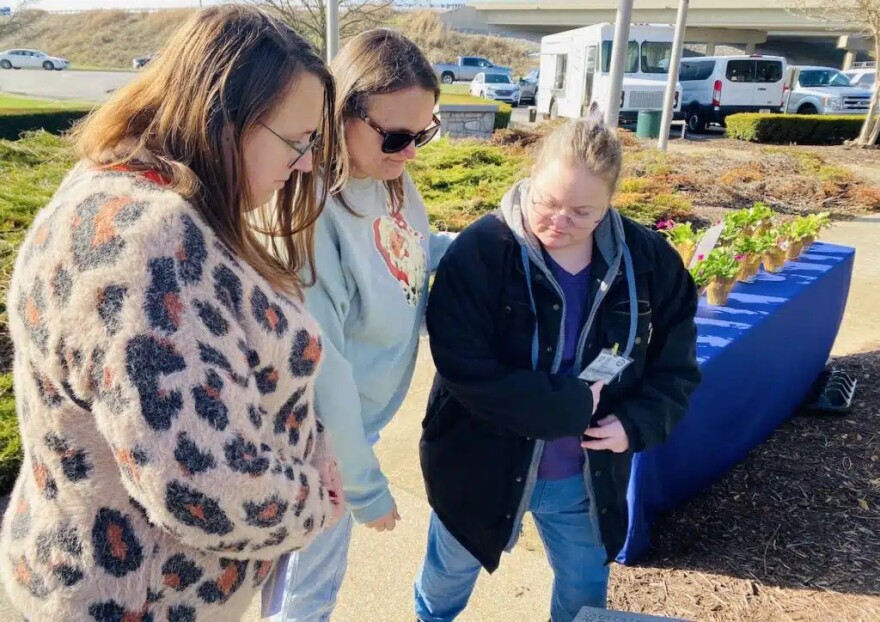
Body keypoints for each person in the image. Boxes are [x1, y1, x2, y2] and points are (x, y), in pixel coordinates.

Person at [0, 6, 345, 621]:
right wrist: (314, 501)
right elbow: (204, 484)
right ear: (222, 120)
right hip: (142, 598)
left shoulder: (120, 187)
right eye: (298, 142)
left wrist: (309, 441)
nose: (307, 164)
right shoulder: (153, 242)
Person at [415, 118, 701, 622]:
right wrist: (567, 406)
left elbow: (676, 363)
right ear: (531, 178)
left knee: (585, 593)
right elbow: (463, 367)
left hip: (584, 477)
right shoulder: (481, 252)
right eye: (547, 201)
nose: (558, 221)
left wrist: (638, 423)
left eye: (581, 212)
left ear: (611, 201)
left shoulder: (647, 260)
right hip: (481, 467)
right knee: (445, 582)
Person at [264, 29, 454, 621]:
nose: (412, 151)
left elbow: (406, 252)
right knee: (307, 591)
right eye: (398, 136)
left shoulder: (389, 174)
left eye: (425, 133)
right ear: (340, 112)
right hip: (321, 438)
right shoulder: (311, 209)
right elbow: (324, 364)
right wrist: (367, 488)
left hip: (357, 425)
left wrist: (486, 243)